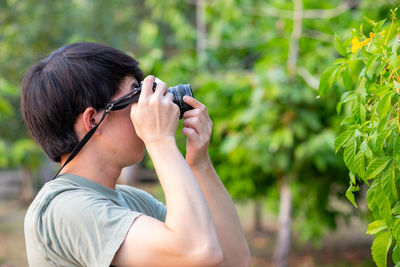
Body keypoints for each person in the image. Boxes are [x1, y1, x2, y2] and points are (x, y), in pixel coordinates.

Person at [21, 42, 250, 267]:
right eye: (136, 96)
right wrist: (159, 140)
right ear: (93, 120)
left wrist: (200, 166)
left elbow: (232, 260)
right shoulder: (63, 210)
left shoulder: (133, 200)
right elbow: (199, 252)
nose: (147, 108)